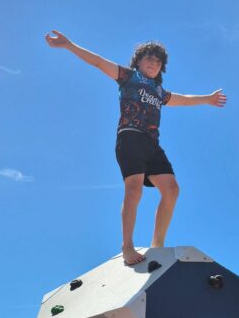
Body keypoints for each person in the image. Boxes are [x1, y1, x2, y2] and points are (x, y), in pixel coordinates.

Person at [45, 30, 226, 265]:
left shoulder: (159, 92)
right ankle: (127, 245)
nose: (154, 63)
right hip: (130, 138)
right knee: (134, 190)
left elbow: (183, 99)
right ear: (138, 61)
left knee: (171, 189)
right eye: (149, 58)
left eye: (158, 61)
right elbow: (98, 62)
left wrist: (207, 99)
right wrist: (69, 45)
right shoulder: (128, 77)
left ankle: (157, 245)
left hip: (152, 144)